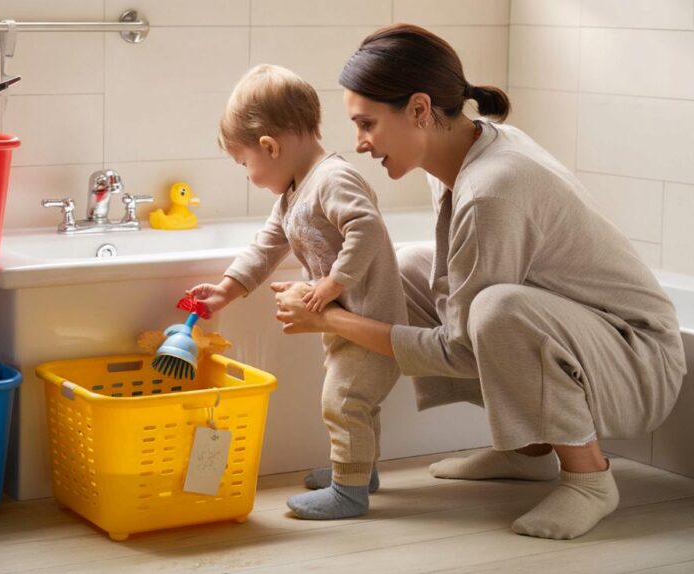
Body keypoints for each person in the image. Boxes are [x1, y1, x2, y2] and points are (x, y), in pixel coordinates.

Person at [271, 23, 687, 539]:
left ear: (420, 110)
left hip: (637, 361)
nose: (358, 144)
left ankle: (589, 479)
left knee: (498, 310)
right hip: (589, 339)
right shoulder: (462, 151)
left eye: (367, 123)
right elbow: (462, 293)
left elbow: (464, 347)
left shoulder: (492, 188)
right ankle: (529, 450)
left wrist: (330, 318)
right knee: (404, 270)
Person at [188, 64, 407, 520]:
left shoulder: (331, 179)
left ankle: (349, 492)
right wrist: (226, 290)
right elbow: (268, 243)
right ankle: (359, 472)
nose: (248, 174)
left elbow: (365, 227)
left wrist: (333, 283)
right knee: (356, 403)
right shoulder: (293, 193)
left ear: (270, 146)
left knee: (343, 401)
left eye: (245, 163)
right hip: (348, 323)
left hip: (371, 320)